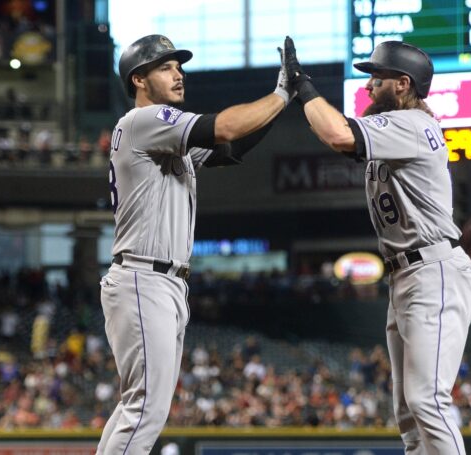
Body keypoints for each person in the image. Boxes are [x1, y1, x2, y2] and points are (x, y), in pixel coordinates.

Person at [97, 34, 295, 454]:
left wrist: (283, 102)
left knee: (140, 406)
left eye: (178, 65)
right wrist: (280, 94)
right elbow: (224, 125)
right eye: (165, 67)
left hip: (159, 281)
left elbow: (230, 146)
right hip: (142, 277)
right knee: (145, 409)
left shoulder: (164, 136)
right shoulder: (144, 121)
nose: (178, 73)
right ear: (139, 80)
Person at [282, 37, 471, 454]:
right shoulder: (397, 129)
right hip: (409, 274)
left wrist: (303, 88)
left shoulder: (413, 125)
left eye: (377, 77)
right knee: (409, 415)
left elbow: (337, 134)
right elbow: (338, 134)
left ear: (402, 84)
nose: (368, 85)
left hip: (433, 270)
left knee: (428, 400)